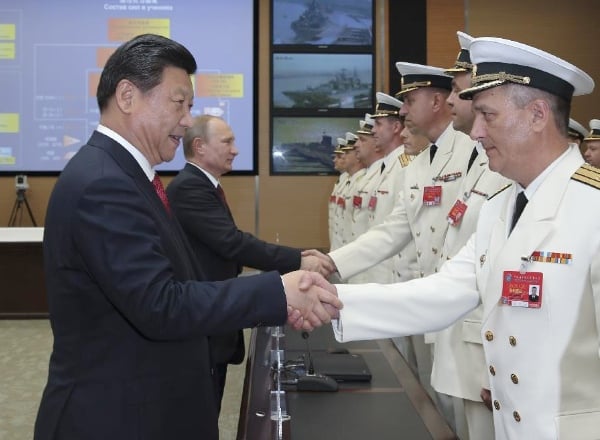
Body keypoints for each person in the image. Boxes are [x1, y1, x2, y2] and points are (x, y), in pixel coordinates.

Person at [34, 34, 341, 440]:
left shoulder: (125, 175)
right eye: (179, 103)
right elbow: (160, 303)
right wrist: (277, 293)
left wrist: (275, 297)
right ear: (127, 96)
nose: (185, 119)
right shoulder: (103, 183)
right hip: (118, 418)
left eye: (190, 106)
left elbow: (182, 283)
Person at [327, 36, 600, 440]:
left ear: (538, 115)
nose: (475, 132)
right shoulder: (501, 204)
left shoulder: (591, 207)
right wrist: (330, 300)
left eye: (488, 115)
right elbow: (446, 291)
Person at [166, 114, 335, 410]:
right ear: (200, 147)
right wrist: (298, 259)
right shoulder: (189, 188)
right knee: (199, 410)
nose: (235, 149)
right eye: (227, 141)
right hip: (202, 319)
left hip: (212, 315)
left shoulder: (203, 185)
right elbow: (231, 242)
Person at [429, 31, 510, 440]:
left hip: (494, 357)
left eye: (461, 94)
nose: (449, 103)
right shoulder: (480, 161)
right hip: (466, 336)